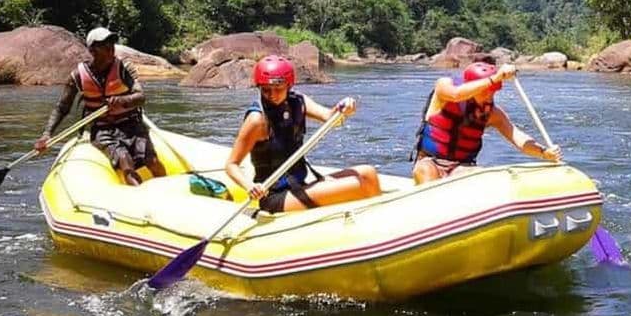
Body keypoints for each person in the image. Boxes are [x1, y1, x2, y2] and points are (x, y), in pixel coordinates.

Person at [225, 55, 381, 213]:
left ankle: (376, 216)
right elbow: (231, 165)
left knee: (368, 173)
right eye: (265, 90)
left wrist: (344, 108)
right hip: (275, 196)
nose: (272, 95)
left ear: (289, 85)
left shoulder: (298, 102)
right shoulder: (257, 120)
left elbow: (331, 118)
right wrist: (250, 186)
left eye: (278, 89)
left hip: (299, 184)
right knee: (357, 185)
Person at [34, 27, 166, 186]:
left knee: (151, 161)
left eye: (111, 43)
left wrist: (122, 100)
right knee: (125, 161)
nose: (110, 48)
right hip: (103, 130)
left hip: (132, 125)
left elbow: (141, 97)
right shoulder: (77, 76)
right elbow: (62, 107)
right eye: (104, 44)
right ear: (92, 50)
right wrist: (47, 134)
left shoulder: (124, 69)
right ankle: (139, 198)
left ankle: (168, 192)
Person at [412, 62, 562, 185]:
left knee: (481, 177)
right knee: (426, 171)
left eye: (493, 91)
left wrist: (544, 153)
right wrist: (495, 78)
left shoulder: (492, 113)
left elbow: (517, 137)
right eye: (486, 90)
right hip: (430, 161)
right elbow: (456, 94)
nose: (490, 95)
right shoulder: (444, 87)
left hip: (461, 166)